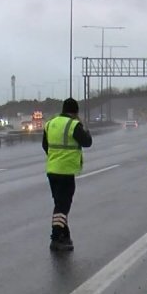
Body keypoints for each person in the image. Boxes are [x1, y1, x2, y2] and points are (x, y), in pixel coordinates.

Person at [42, 98, 92, 251]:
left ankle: (65, 235)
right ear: (75, 112)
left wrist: (55, 157)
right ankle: (56, 238)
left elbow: (45, 145)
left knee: (59, 204)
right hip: (66, 171)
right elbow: (87, 142)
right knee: (63, 206)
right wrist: (85, 128)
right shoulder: (74, 125)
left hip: (52, 171)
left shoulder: (50, 124)